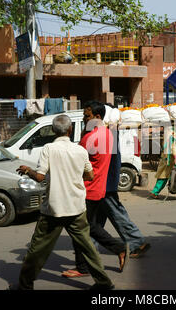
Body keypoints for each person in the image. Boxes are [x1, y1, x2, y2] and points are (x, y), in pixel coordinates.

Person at [10, 115, 114, 290]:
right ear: (70, 129)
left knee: (37, 249)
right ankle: (104, 283)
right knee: (88, 248)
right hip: (77, 207)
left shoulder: (48, 149)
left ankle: (24, 286)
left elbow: (40, 176)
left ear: (52, 130)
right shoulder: (80, 150)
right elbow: (90, 175)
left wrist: (28, 170)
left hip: (54, 208)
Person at [62, 101, 128, 278]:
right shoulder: (108, 134)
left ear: (97, 117)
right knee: (86, 227)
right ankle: (84, 265)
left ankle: (117, 249)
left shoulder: (89, 138)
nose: (84, 119)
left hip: (86, 189)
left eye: (87, 116)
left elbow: (76, 161)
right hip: (99, 188)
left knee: (83, 227)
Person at [97, 106, 151, 258]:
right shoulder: (109, 133)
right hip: (104, 183)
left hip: (105, 184)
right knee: (96, 219)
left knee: (114, 214)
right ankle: (89, 248)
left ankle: (136, 241)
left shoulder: (108, 134)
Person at [149, 125, 176, 199]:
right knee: (170, 176)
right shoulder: (171, 133)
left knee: (173, 176)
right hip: (170, 159)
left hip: (167, 158)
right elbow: (173, 147)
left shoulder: (168, 132)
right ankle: (155, 192)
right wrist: (175, 159)